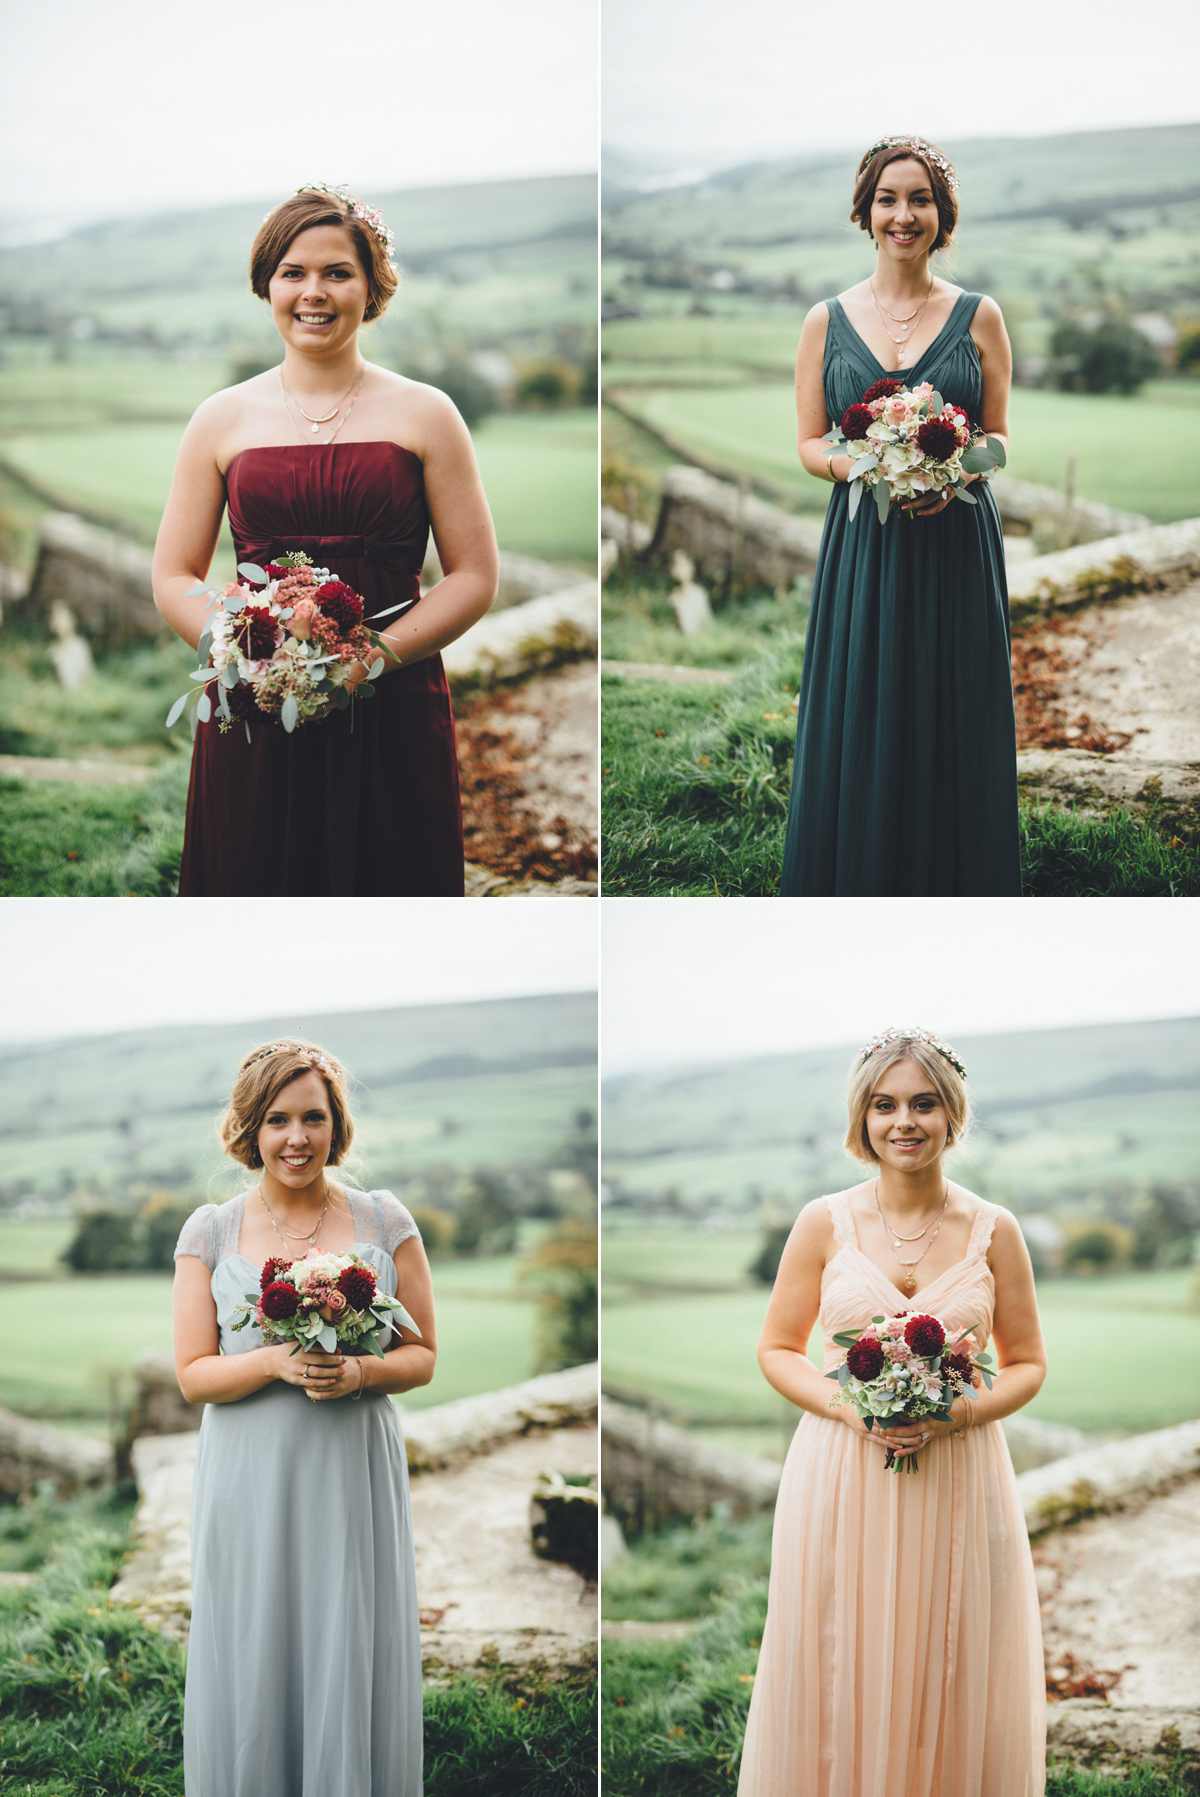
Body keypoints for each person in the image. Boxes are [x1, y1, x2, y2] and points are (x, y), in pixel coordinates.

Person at [153, 183, 499, 895]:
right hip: (253, 711)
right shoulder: (219, 420)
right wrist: (242, 653)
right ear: (266, 285)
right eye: (293, 272)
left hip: (388, 701)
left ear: (371, 288)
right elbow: (173, 574)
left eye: (337, 272)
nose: (314, 292)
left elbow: (472, 576)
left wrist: (365, 660)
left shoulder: (428, 415)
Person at [738, 1028, 1046, 1797]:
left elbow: (1030, 1362)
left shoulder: (994, 1229)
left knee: (951, 1656)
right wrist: (848, 1407)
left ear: (952, 1115)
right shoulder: (823, 1222)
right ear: (862, 1118)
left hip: (959, 1475)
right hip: (842, 1473)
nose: (903, 1121)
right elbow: (777, 1348)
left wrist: (959, 1417)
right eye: (884, 1104)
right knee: (840, 1649)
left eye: (922, 1102)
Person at [173, 1038, 436, 1797]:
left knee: (345, 1638)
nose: (297, 1138)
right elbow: (194, 1373)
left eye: (313, 1117)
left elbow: (423, 1355)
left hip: (351, 1469)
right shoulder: (210, 1231)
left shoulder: (384, 1220)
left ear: (335, 1124)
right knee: (256, 1642)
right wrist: (271, 1361)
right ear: (251, 1128)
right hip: (248, 1478)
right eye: (279, 1119)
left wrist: (361, 1369)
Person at [779, 137, 1020, 896]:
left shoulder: (981, 318)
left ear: (942, 216)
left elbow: (1001, 440)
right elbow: (810, 443)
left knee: (956, 710)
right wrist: (869, 467)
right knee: (865, 712)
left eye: (920, 200)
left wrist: (951, 472)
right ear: (866, 210)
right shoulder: (825, 320)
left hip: (956, 541)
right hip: (866, 544)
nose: (903, 215)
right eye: (889, 199)